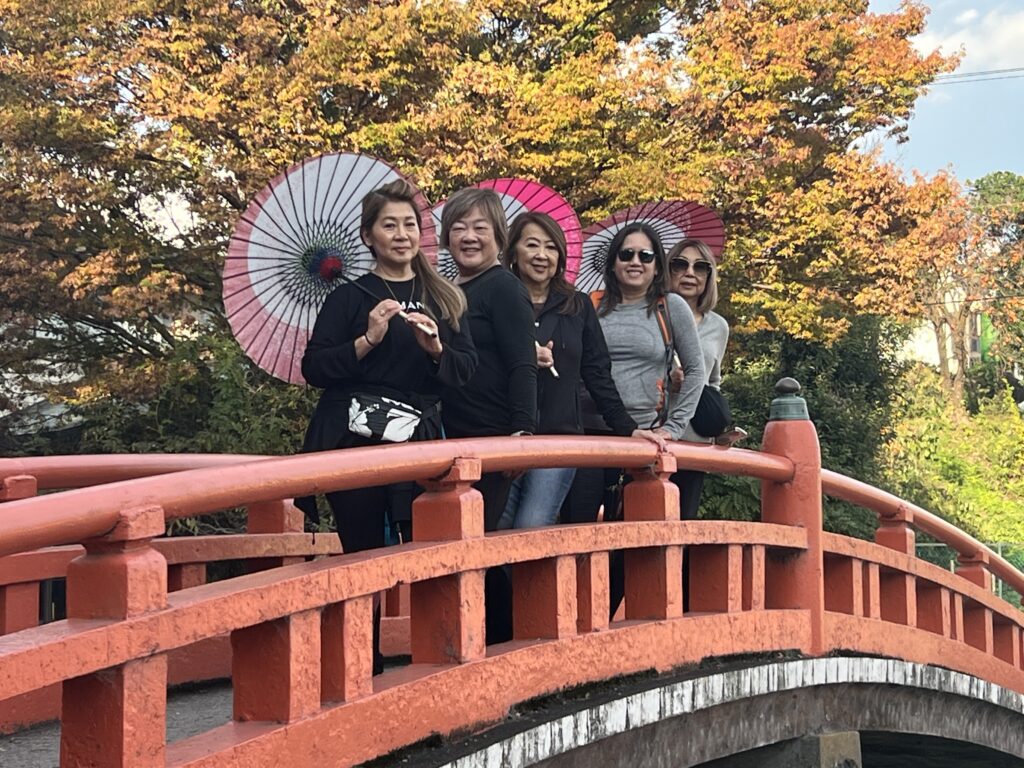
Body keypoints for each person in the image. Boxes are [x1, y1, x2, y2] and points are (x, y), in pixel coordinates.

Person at [299, 178, 477, 670]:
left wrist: (436, 349)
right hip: (354, 437)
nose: (401, 235)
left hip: (417, 438)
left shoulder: (441, 295)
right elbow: (314, 368)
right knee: (365, 550)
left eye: (410, 225)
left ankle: (437, 652)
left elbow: (465, 372)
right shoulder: (351, 297)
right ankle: (361, 658)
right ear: (368, 236)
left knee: (424, 548)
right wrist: (368, 339)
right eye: (389, 225)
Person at [497, 212, 666, 531]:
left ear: (560, 256)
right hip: (501, 435)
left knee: (531, 527)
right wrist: (522, 356)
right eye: (531, 245)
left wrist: (627, 427)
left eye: (551, 247)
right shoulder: (496, 299)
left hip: (559, 437)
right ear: (514, 252)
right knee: (496, 533)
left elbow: (598, 374)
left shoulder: (576, 306)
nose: (541, 255)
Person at [438, 187, 537, 645]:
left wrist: (523, 430)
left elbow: (521, 361)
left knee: (478, 538)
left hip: (494, 432)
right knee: (464, 537)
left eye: (480, 227)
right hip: (454, 431)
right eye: (459, 227)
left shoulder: (503, 287)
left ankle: (503, 640)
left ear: (499, 235)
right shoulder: (453, 290)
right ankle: (485, 637)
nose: (469, 237)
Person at [562, 222, 706, 525]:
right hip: (588, 434)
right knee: (580, 528)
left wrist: (675, 427)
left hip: (645, 435)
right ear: (613, 263)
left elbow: (695, 370)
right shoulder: (589, 305)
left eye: (646, 256)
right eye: (626, 254)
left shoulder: (670, 307)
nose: (635, 262)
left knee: (640, 535)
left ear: (657, 267)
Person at [667, 237, 730, 520]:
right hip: (654, 431)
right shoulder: (654, 314)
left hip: (695, 439)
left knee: (684, 519)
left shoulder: (718, 326)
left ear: (709, 275)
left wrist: (712, 410)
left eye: (700, 266)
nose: (690, 272)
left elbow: (713, 380)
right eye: (680, 264)